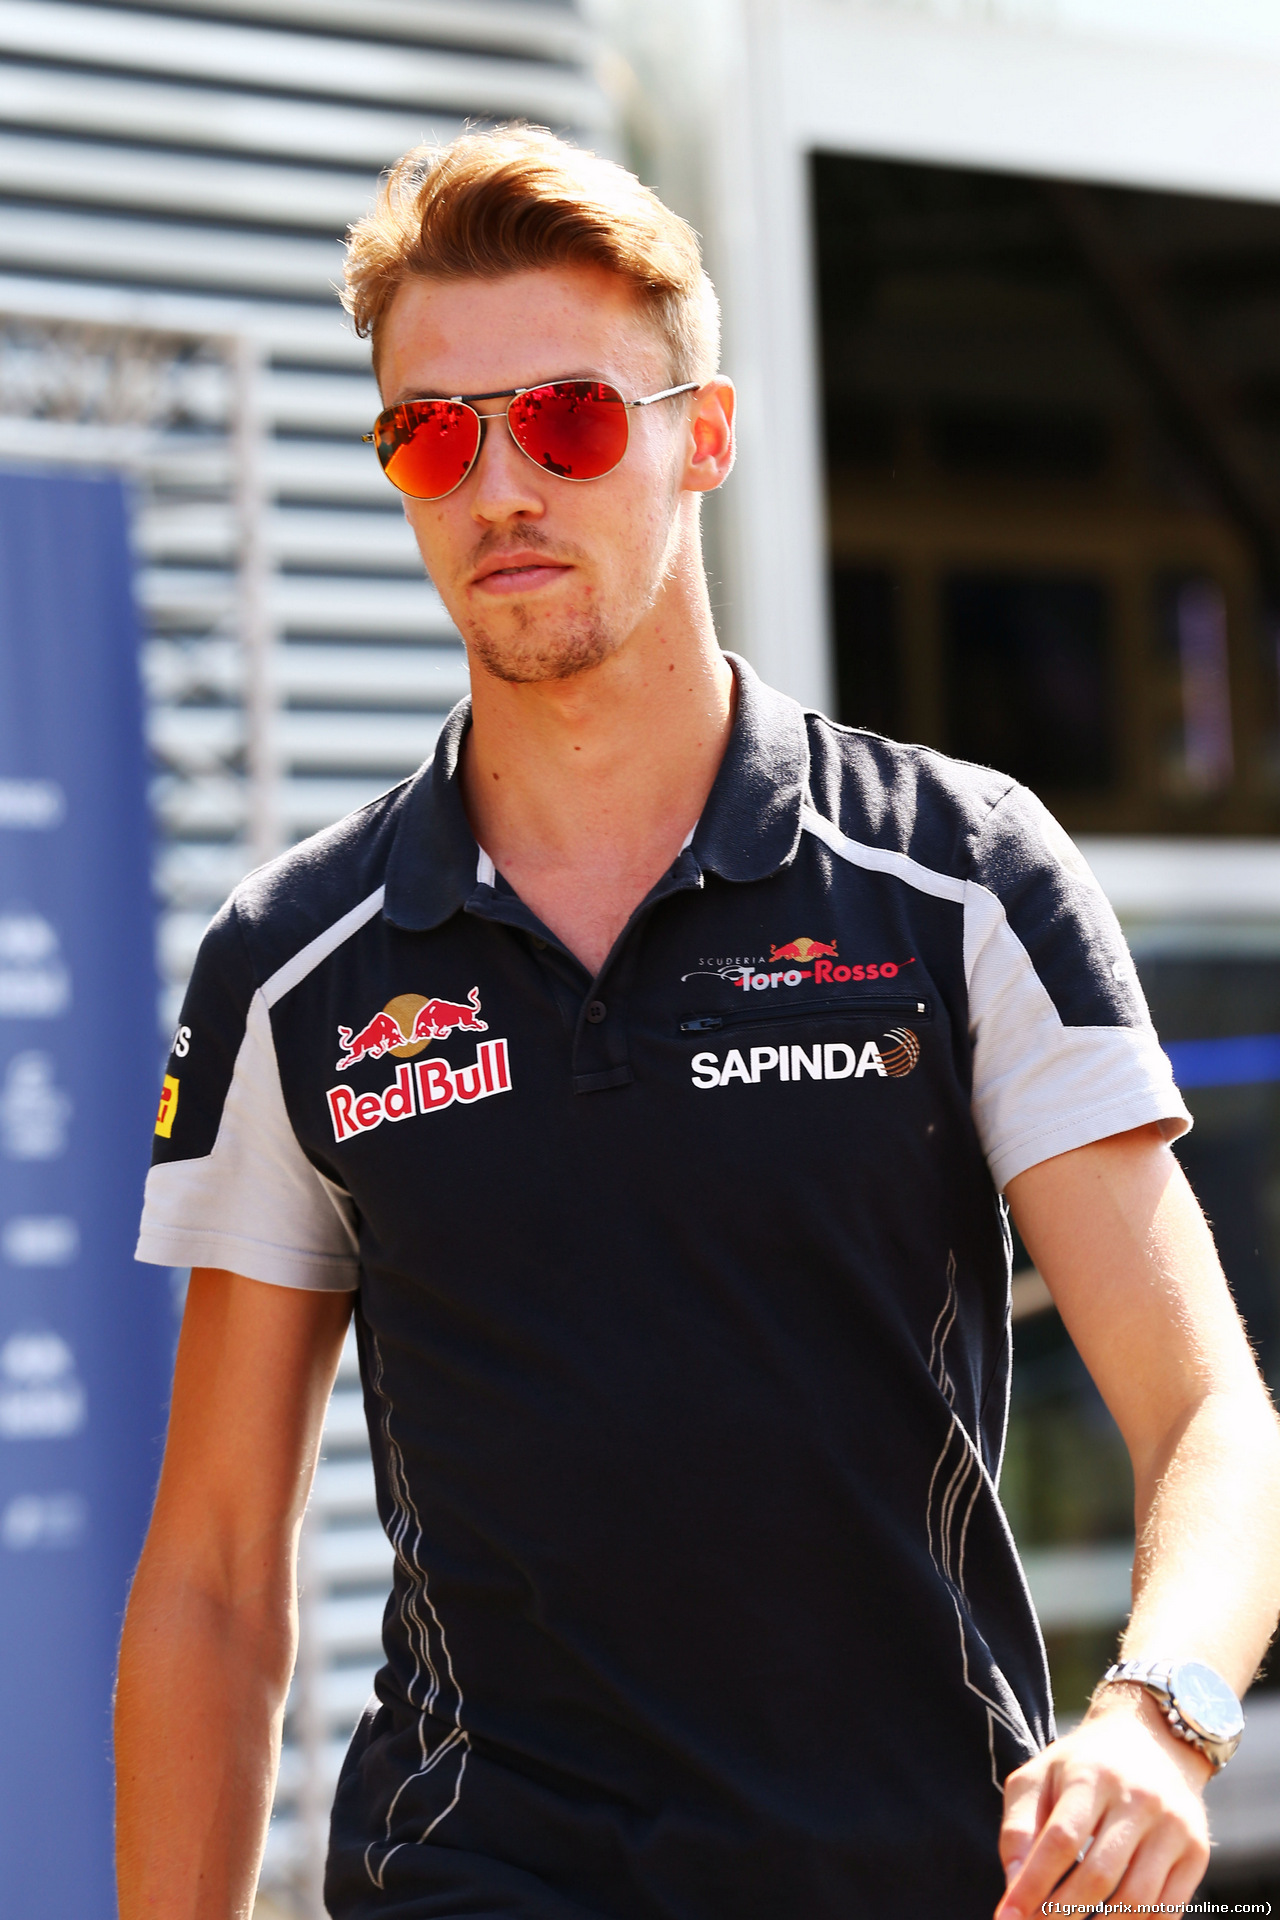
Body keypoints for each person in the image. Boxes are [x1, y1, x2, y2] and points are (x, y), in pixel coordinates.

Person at [116, 126, 1280, 1920]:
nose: (502, 485)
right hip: (473, 1881)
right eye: (437, 434)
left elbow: (1207, 1409)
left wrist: (1161, 1717)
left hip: (922, 1875)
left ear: (704, 436)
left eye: (570, 418)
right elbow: (208, 1569)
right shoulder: (296, 962)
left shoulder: (953, 877)